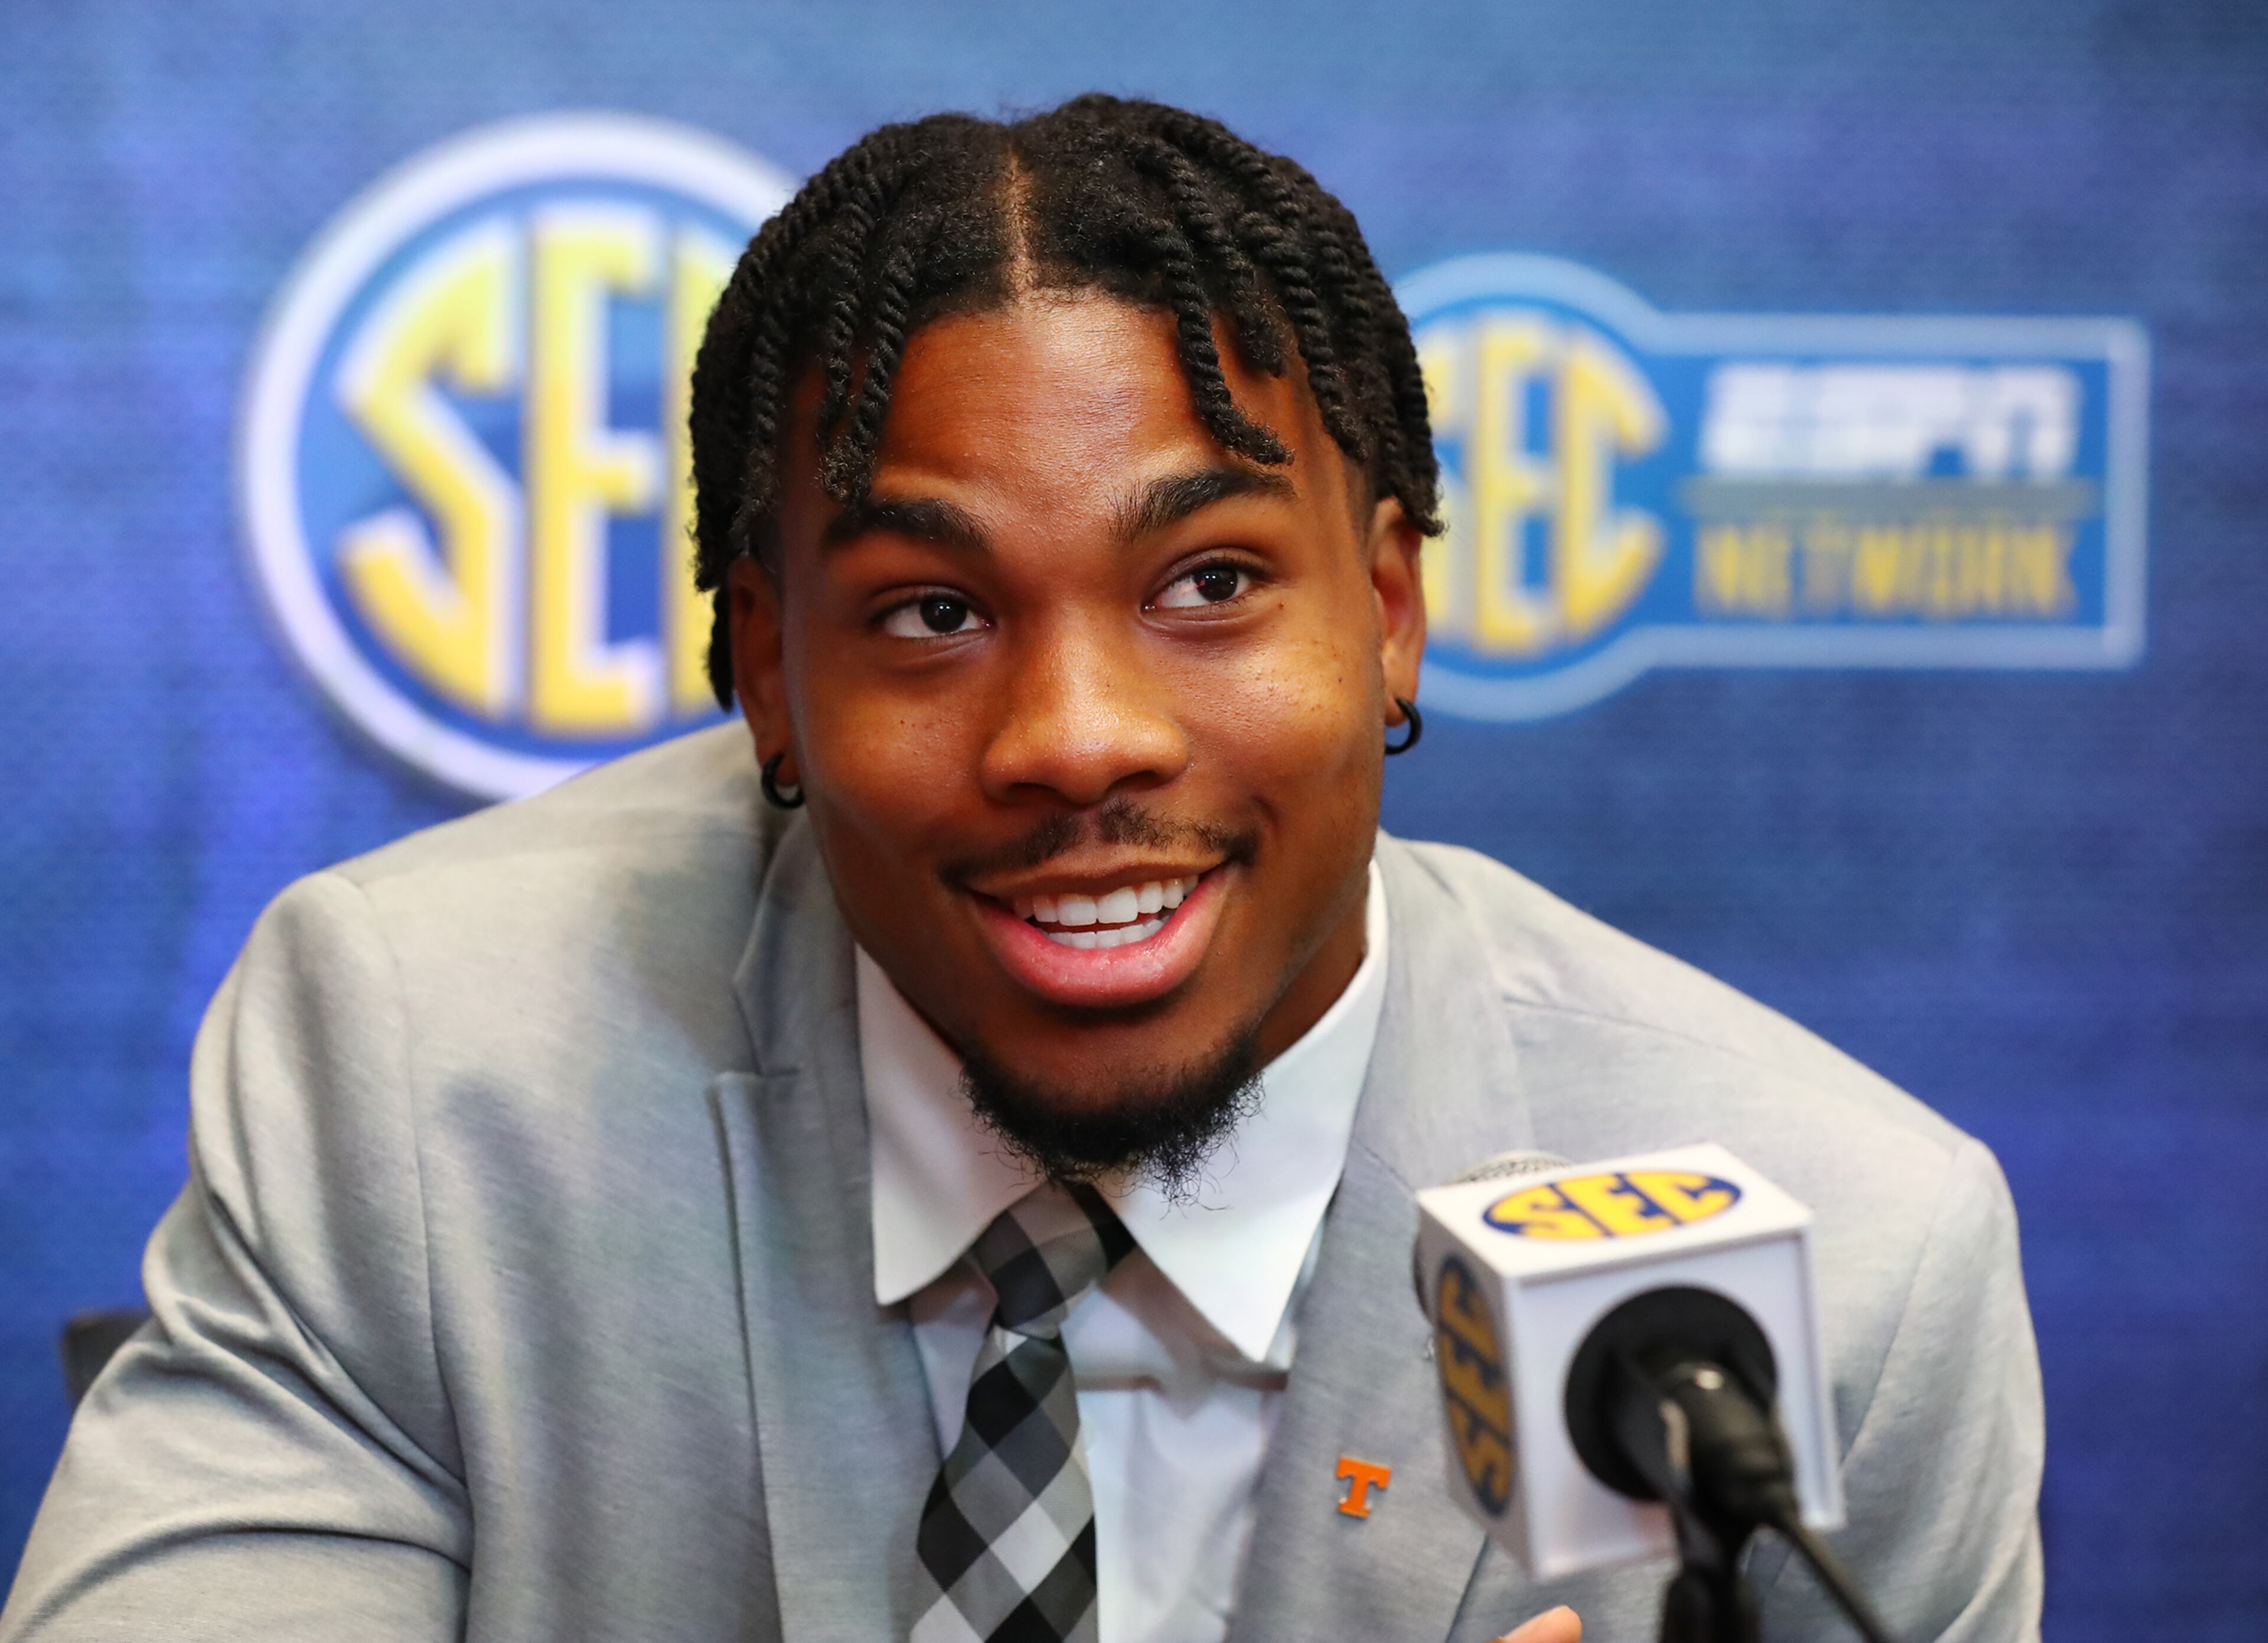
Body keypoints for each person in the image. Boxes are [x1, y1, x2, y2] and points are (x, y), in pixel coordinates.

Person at [0, 96, 2042, 1643]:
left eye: (1213, 582)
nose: (1080, 736)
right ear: (762, 677)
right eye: (929, 614)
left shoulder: (1843, 1277)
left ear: (1396, 610)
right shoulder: (422, 1078)